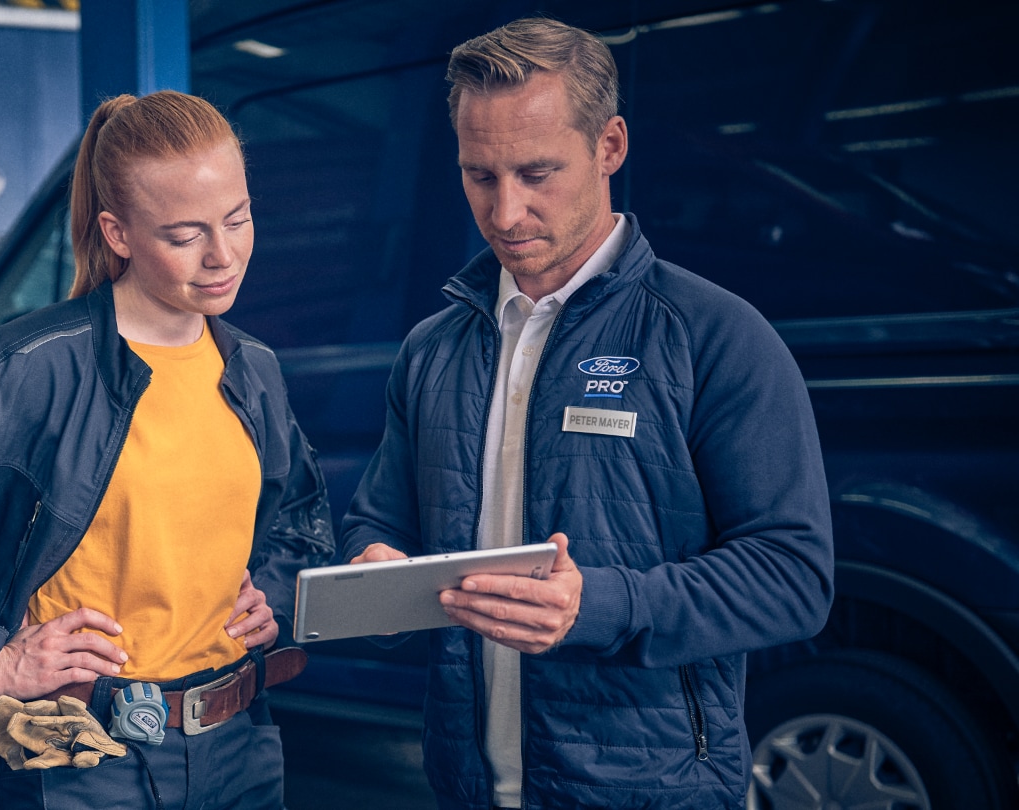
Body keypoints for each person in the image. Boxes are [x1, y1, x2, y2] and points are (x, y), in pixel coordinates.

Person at [340, 16, 834, 809]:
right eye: (479, 175)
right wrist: (374, 571)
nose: (505, 213)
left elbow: (793, 578)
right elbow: (376, 521)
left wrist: (596, 605)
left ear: (610, 146)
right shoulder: (433, 349)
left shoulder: (714, 336)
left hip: (653, 791)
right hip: (468, 785)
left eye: (538, 173)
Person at [0, 90, 333, 810]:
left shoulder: (253, 370)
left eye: (238, 219)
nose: (223, 254)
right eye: (184, 235)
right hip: (74, 753)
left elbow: (299, 513)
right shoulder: (27, 369)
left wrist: (276, 590)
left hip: (238, 749)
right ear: (118, 233)